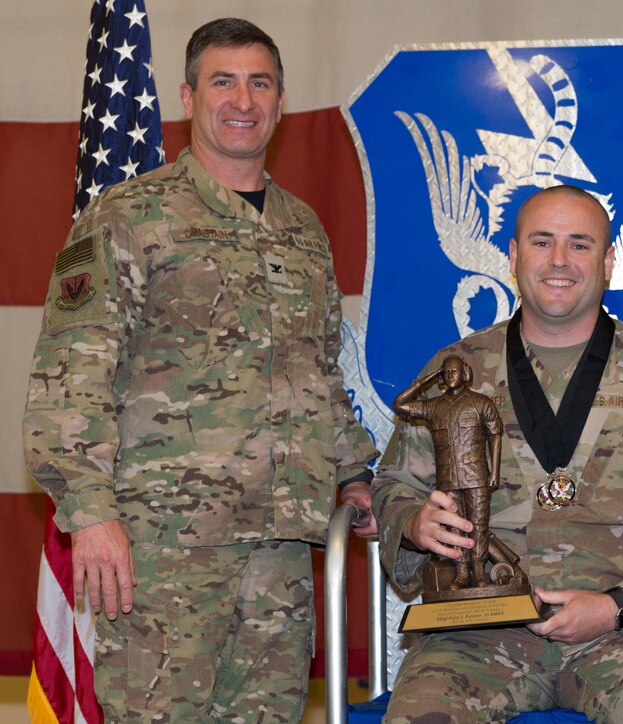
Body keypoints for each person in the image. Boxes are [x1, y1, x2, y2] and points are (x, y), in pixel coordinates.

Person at [23, 18, 378, 721]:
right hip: (165, 550)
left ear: (278, 103)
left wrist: (353, 473)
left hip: (281, 550)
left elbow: (319, 375)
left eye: (259, 83)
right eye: (223, 81)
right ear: (189, 97)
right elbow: (70, 374)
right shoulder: (124, 214)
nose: (242, 99)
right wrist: (90, 513)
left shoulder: (301, 228)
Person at [372, 185, 623, 723]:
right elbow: (394, 485)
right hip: (476, 636)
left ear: (609, 260)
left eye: (580, 244)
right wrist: (412, 523)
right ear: (514, 256)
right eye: (542, 242)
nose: (560, 261)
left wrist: (618, 604)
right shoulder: (456, 369)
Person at [392, 354, 503, 588]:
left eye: (455, 371)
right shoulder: (434, 407)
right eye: (447, 372)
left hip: (476, 477)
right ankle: (462, 574)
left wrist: (494, 472)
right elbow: (400, 404)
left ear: (466, 373)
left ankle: (479, 574)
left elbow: (495, 435)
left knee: (479, 527)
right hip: (448, 480)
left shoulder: (480, 402)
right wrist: (423, 382)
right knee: (456, 529)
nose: (451, 376)